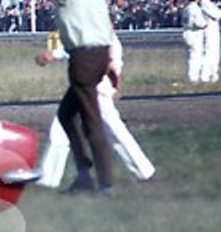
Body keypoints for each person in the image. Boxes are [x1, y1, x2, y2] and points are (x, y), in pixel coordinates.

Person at [24, 0, 115, 195]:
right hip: (100, 53)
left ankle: (105, 184)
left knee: (91, 121)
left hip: (84, 58)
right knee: (66, 114)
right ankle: (84, 175)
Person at [35, 27, 155, 187]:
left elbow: (104, 53)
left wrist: (111, 86)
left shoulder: (102, 32)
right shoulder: (93, 29)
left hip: (96, 81)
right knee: (64, 127)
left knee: (112, 129)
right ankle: (48, 179)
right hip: (91, 77)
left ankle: (143, 171)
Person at [182, 0, 207, 83]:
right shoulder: (194, 8)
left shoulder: (186, 8)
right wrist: (205, 24)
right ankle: (193, 78)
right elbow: (199, 23)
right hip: (194, 33)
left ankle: (191, 77)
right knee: (195, 56)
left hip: (187, 33)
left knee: (190, 56)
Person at [200, 0, 221, 83]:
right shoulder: (204, 2)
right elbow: (217, 14)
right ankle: (205, 76)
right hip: (208, 31)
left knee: (215, 54)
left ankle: (214, 75)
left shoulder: (210, 3)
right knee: (209, 53)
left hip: (214, 30)